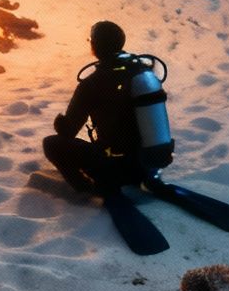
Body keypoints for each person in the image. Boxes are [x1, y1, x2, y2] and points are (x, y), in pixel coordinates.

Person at [43, 20, 161, 195]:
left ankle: (89, 188)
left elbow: (68, 132)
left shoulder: (91, 84)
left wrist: (60, 123)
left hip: (113, 169)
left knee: (51, 144)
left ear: (95, 46)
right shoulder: (142, 74)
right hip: (146, 167)